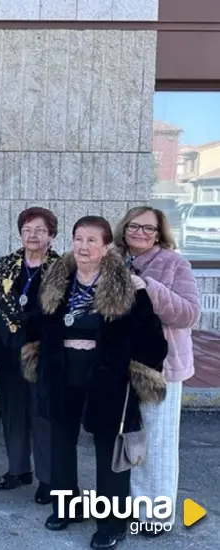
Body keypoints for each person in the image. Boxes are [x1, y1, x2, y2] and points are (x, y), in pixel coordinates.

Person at [23, 215, 168, 550]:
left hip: (108, 376)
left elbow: (153, 340)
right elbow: (36, 323)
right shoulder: (56, 281)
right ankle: (67, 506)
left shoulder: (128, 286)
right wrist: (41, 353)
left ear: (106, 247)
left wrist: (132, 369)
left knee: (110, 449)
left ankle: (112, 523)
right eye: (78, 239)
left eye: (91, 240)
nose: (83, 246)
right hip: (62, 371)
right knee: (61, 440)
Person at [114, 207, 200, 536]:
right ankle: (137, 507)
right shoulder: (114, 259)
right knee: (133, 436)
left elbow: (189, 314)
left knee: (159, 443)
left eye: (148, 229)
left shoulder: (174, 264)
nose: (139, 232)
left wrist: (148, 287)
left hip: (161, 367)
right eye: (134, 226)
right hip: (122, 364)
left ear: (159, 233)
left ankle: (158, 515)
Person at [0, 207, 61, 503]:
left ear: (51, 235)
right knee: (13, 412)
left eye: (40, 230)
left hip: (43, 353)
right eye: (27, 229)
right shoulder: (6, 264)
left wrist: (27, 328)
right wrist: (13, 333)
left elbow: (61, 310)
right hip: (8, 352)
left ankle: (48, 478)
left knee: (42, 416)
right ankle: (18, 469)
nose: (33, 235)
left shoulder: (60, 269)